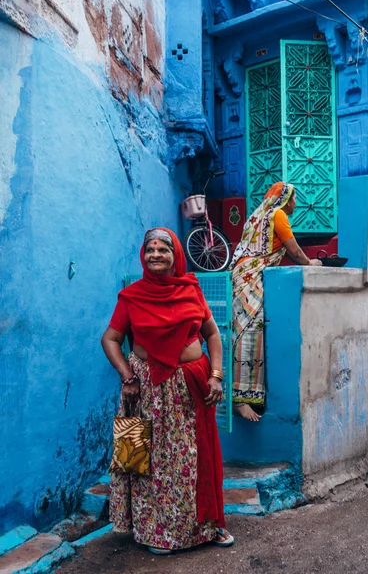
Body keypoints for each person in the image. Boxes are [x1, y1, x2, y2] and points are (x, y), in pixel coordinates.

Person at [101, 228, 234, 555]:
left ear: (176, 255)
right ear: (143, 256)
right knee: (147, 462)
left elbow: (213, 335)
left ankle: (207, 526)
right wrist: (127, 376)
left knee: (196, 457)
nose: (156, 255)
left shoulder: (192, 290)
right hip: (145, 390)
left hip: (191, 388)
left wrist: (216, 375)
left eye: (164, 250)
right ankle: (154, 533)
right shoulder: (132, 296)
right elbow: (110, 339)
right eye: (150, 250)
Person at [229, 182, 322, 422]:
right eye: (294, 198)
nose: (296, 203)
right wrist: (310, 263)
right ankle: (240, 399)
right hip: (250, 277)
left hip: (242, 274)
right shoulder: (277, 215)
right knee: (249, 331)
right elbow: (294, 250)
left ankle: (244, 394)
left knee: (240, 330)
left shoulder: (257, 216)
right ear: (285, 199)